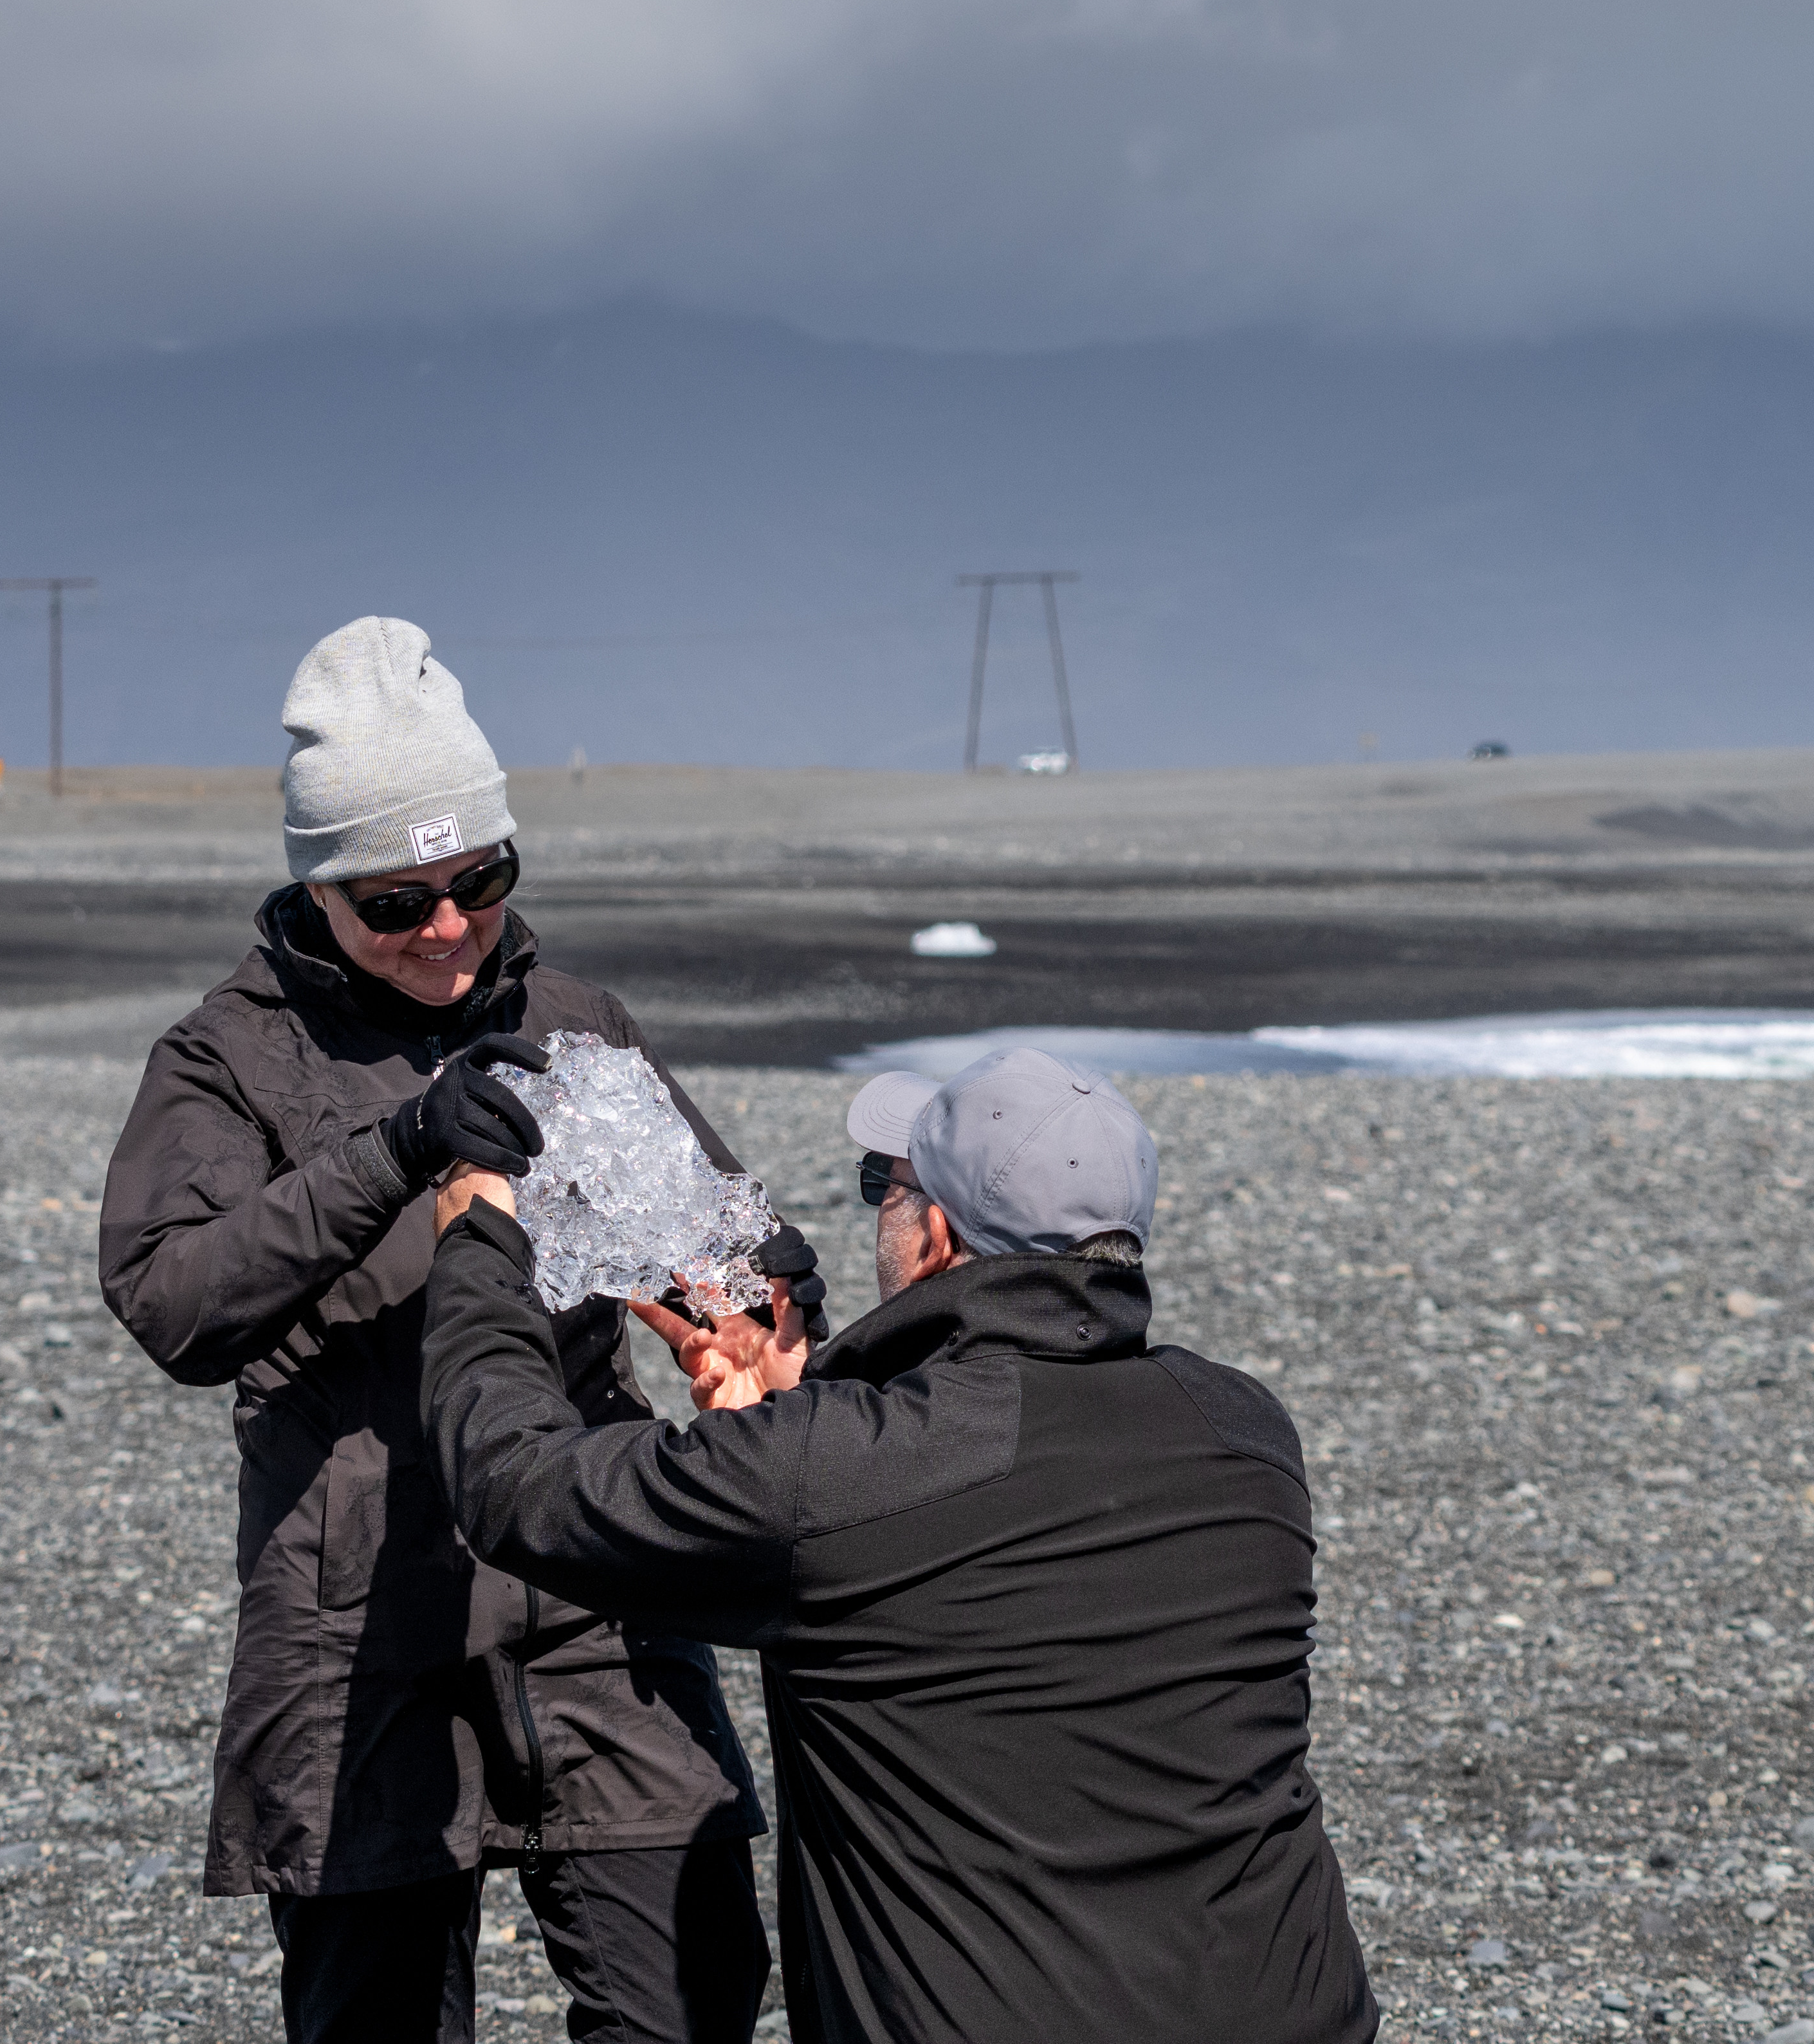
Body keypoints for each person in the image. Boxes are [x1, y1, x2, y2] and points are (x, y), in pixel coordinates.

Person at [99, 617, 820, 2044]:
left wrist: (760, 1297)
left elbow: (722, 1248)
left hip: (591, 1571)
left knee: (693, 1991)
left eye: (478, 880)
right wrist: (396, 1152)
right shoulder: (225, 1055)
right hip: (352, 1605)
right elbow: (172, 1301)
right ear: (319, 891)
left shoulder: (573, 1023)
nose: (446, 926)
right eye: (396, 898)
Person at [419, 1045, 1380, 2044]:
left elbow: (517, 1486)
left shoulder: (842, 1473)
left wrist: (482, 1235)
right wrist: (805, 1408)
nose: (878, 1201)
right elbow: (964, 1537)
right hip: (1292, 2008)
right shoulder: (1243, 1430)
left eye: (887, 1182)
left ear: (935, 1238)